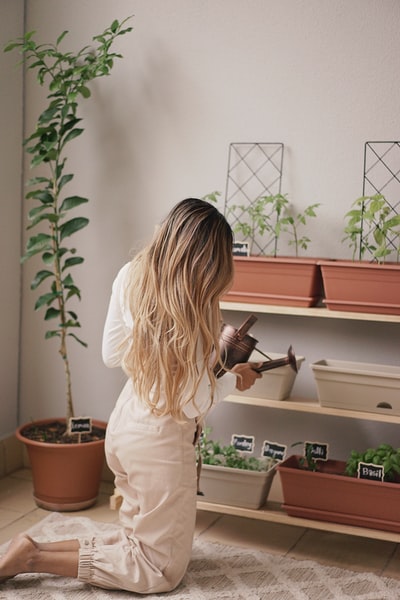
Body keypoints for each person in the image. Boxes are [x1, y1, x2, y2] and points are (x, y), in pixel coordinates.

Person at [0, 198, 261, 593]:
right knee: (158, 570)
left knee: (133, 542)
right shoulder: (197, 305)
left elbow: (111, 355)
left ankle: (32, 548)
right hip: (162, 443)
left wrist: (161, 364)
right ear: (209, 261)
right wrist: (231, 378)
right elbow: (191, 401)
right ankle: (33, 558)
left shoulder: (131, 275)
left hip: (126, 424)